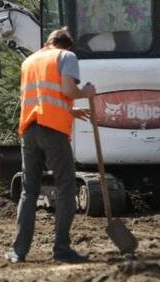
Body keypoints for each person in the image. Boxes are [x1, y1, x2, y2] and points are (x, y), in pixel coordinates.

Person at [6, 27, 96, 265]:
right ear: (67, 45)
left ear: (48, 42)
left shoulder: (29, 61)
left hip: (29, 130)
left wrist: (70, 110)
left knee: (29, 191)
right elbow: (67, 89)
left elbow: (41, 97)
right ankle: (62, 249)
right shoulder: (66, 57)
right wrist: (84, 92)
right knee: (66, 188)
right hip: (53, 132)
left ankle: (19, 251)